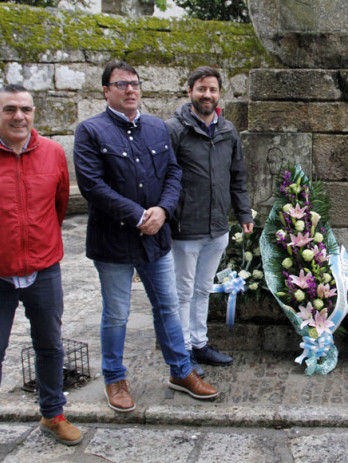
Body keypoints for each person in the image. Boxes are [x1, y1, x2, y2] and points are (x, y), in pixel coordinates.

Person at [73, 60, 218, 413]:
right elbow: (92, 186)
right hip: (114, 242)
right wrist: (138, 215)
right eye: (121, 84)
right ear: (106, 90)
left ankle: (181, 371)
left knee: (168, 306)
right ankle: (114, 378)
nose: (130, 90)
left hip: (156, 239)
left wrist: (163, 211)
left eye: (134, 83)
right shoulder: (90, 131)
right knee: (117, 314)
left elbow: (173, 172)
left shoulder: (155, 127)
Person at [0, 84, 82, 463]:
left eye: (25, 109)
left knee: (51, 345)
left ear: (34, 113)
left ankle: (52, 414)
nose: (18, 116)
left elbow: (57, 209)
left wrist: (35, 245)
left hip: (44, 269)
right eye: (10, 109)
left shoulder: (54, 153)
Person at [165, 66, 254, 377]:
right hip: (185, 227)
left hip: (217, 226)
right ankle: (183, 351)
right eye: (201, 89)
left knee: (204, 288)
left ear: (219, 94)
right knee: (183, 292)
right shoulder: (175, 130)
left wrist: (243, 213)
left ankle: (200, 343)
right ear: (190, 91)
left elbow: (237, 176)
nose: (207, 95)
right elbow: (164, 177)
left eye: (213, 90)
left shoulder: (228, 132)